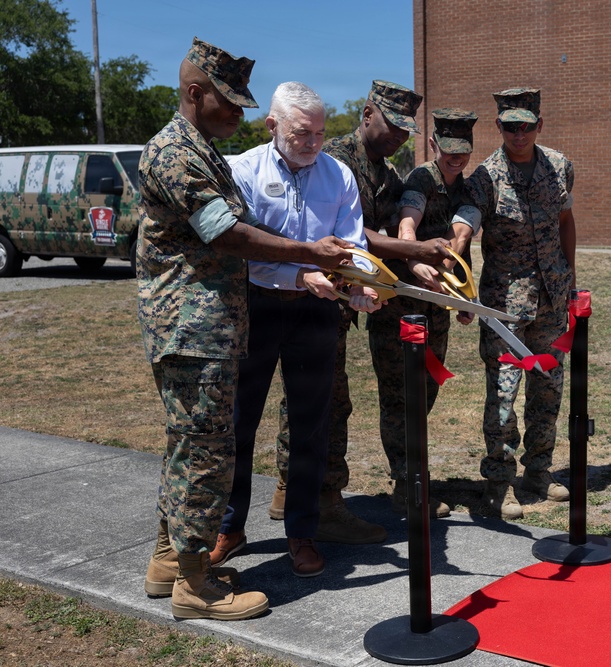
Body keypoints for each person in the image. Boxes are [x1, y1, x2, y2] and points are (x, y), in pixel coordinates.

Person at [137, 38, 354, 621]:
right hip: (193, 328)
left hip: (213, 326)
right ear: (193, 93)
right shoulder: (177, 154)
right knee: (207, 451)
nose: (239, 113)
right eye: (229, 101)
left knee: (193, 447)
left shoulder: (202, 149)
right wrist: (309, 252)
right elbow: (227, 234)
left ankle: (170, 562)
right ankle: (194, 585)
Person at [206, 82, 382, 578]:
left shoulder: (338, 174)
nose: (313, 143)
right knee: (240, 422)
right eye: (302, 133)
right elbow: (241, 245)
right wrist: (300, 271)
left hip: (316, 315)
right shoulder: (243, 171)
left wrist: (359, 287)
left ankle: (302, 532)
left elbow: (349, 245)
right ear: (272, 126)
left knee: (311, 427)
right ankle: (229, 526)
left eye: (321, 134)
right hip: (256, 308)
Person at [267, 80, 454, 535]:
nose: (398, 137)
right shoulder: (329, 158)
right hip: (302, 290)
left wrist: (420, 258)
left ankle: (297, 491)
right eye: (392, 125)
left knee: (341, 393)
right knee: (320, 397)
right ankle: (308, 497)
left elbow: (387, 235)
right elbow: (358, 235)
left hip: (350, 300)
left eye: (407, 132)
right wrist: (412, 252)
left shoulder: (387, 175)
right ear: (368, 113)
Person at [450, 88, 576, 520]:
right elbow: (464, 226)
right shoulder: (485, 178)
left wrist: (570, 279)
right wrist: (459, 276)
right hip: (504, 306)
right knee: (504, 394)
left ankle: (539, 473)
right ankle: (498, 484)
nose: (518, 134)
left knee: (549, 388)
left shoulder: (560, 167)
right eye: (509, 126)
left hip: (551, 299)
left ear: (539, 125)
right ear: (499, 127)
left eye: (526, 126)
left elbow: (565, 220)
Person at [367, 108, 479, 517]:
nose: (455, 159)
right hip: (399, 307)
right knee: (399, 394)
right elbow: (407, 224)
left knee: (427, 391)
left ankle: (412, 474)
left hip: (436, 308)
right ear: (434, 145)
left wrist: (461, 292)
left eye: (462, 152)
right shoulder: (420, 180)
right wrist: (415, 259)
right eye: (448, 150)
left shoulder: (466, 190)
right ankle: (406, 484)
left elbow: (461, 236)